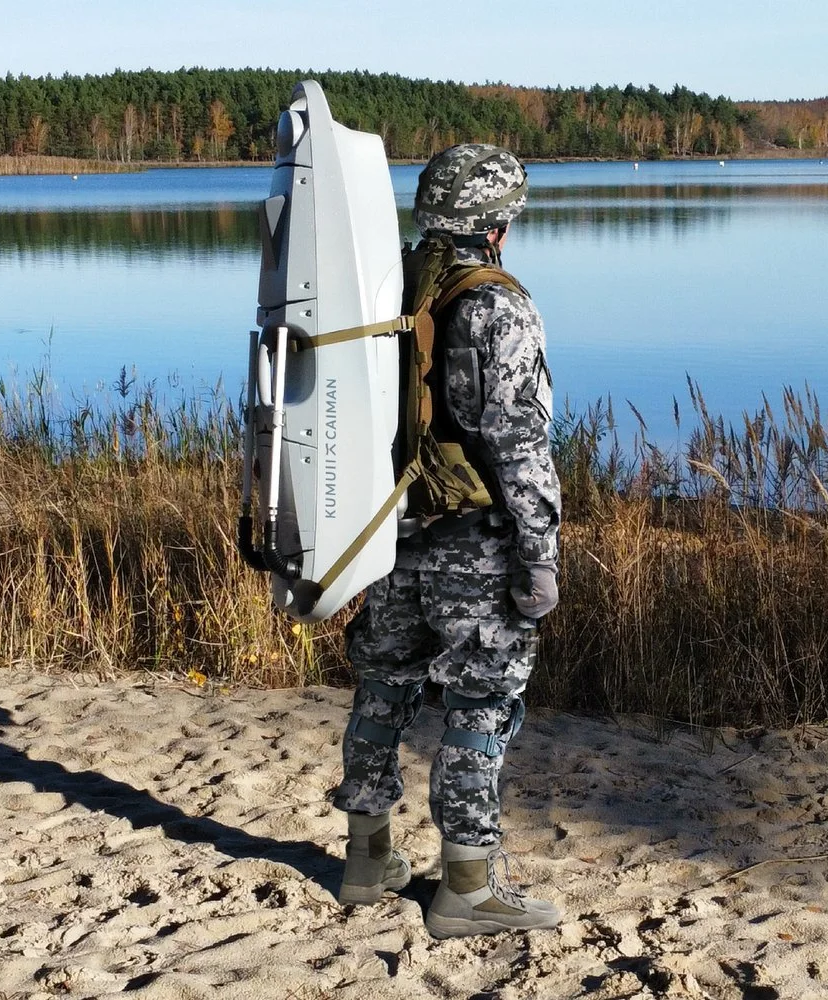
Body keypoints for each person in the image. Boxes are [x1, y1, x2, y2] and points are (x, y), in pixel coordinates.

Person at [327, 143, 564, 938]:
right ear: (498, 223)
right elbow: (519, 442)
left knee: (383, 686)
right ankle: (466, 886)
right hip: (474, 539)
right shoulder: (498, 305)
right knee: (480, 699)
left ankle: (365, 861)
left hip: (391, 532)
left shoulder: (387, 286)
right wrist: (540, 553)